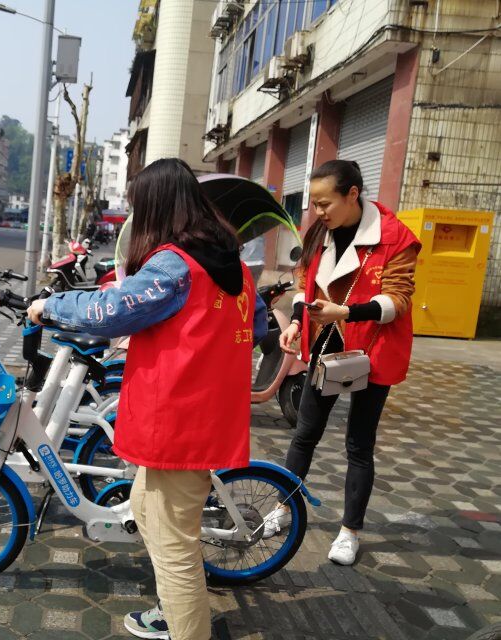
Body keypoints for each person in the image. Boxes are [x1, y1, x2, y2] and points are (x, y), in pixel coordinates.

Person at [28, 158, 266, 640]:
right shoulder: (234, 265)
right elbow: (257, 324)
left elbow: (111, 311)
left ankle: (187, 630)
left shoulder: (175, 263)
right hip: (209, 414)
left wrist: (48, 306)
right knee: (145, 506)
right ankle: (170, 612)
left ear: (156, 207)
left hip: (177, 418)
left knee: (173, 543)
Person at [269, 160, 420, 566]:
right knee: (305, 433)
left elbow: (399, 300)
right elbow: (305, 283)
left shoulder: (394, 237)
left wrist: (347, 313)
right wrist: (296, 323)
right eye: (314, 203)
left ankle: (350, 531)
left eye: (324, 203)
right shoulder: (320, 232)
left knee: (359, 444)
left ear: (352, 194)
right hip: (326, 346)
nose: (317, 211)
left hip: (371, 350)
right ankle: (283, 508)